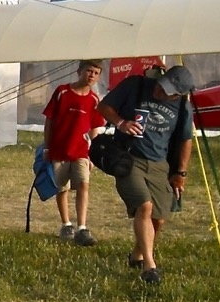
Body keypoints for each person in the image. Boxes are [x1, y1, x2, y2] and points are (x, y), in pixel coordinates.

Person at [97, 64, 195, 285]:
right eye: (161, 85)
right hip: (128, 158)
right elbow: (104, 107)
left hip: (159, 164)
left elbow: (185, 140)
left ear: (178, 95)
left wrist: (180, 173)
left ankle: (137, 255)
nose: (159, 92)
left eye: (167, 91)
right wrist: (121, 123)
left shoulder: (182, 107)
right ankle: (149, 266)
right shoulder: (135, 85)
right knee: (145, 206)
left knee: (159, 219)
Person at [42, 59, 106, 246]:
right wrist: (47, 147)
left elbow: (95, 127)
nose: (91, 75)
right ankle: (66, 224)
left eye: (96, 73)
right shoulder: (62, 92)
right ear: (79, 71)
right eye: (89, 71)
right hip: (60, 149)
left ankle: (82, 227)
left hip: (81, 153)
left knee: (83, 185)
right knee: (62, 187)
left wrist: (92, 152)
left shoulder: (94, 100)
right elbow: (50, 121)